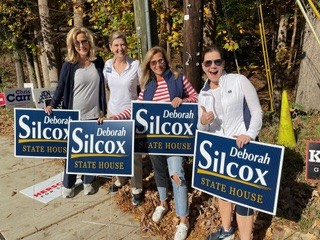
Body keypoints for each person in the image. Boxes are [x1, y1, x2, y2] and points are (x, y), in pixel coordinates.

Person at [113, 46, 198, 240]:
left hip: (175, 140)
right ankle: (163, 203)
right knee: (159, 172)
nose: (158, 64)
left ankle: (183, 220)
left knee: (177, 174)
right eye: (153, 62)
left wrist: (183, 100)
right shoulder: (147, 87)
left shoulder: (178, 79)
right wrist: (116, 118)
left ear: (165, 61)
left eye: (160, 60)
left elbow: (196, 97)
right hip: (154, 140)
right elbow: (136, 110)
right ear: (149, 66)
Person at [197, 45, 263, 240]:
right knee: (223, 191)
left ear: (223, 63)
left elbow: (257, 111)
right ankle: (227, 232)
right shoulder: (203, 94)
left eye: (217, 61)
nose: (213, 66)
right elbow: (202, 129)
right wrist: (203, 122)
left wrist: (250, 134)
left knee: (244, 197)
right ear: (203, 66)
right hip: (219, 150)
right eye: (208, 63)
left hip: (242, 146)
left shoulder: (239, 80)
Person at [44, 26, 107, 198]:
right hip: (74, 115)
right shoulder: (69, 65)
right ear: (73, 45)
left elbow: (104, 87)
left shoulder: (98, 62)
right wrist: (52, 104)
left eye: (84, 41)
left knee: (90, 151)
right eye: (77, 42)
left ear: (89, 42)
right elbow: (61, 87)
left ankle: (88, 181)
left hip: (94, 114)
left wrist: (105, 110)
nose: (81, 45)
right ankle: (68, 183)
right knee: (73, 152)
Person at [103, 31, 143, 206]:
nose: (120, 48)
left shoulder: (135, 65)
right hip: (112, 114)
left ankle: (137, 188)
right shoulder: (107, 66)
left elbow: (145, 89)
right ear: (111, 47)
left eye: (123, 44)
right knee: (116, 151)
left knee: (134, 154)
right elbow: (103, 88)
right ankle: (121, 180)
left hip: (130, 114)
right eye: (116, 45)